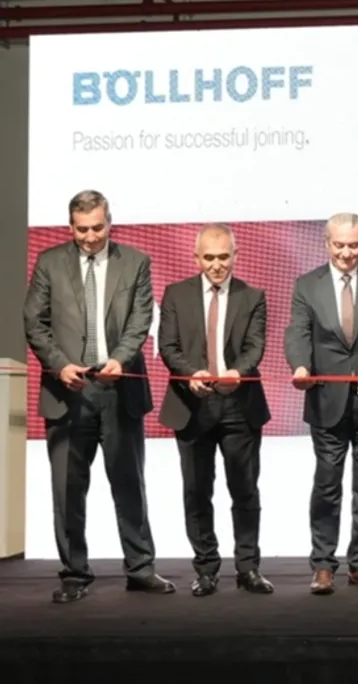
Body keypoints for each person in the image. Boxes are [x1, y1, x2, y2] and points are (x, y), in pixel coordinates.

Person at [23, 189, 175, 604]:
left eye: (97, 228)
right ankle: (74, 573)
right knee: (67, 490)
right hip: (67, 391)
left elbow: (141, 319)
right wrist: (59, 364)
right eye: (81, 230)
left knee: (129, 484)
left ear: (110, 222)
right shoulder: (49, 262)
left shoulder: (136, 262)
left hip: (119, 388)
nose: (90, 237)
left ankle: (140, 568)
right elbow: (34, 322)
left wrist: (120, 358)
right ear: (70, 227)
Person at [285, 212, 358, 595]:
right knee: (327, 483)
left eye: (353, 245)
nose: (346, 253)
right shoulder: (307, 284)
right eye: (339, 245)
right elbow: (298, 332)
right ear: (327, 243)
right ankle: (323, 565)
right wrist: (300, 366)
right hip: (327, 399)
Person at [156, 223, 274, 596]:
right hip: (191, 405)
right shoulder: (175, 294)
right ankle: (205, 569)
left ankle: (248, 569)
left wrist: (239, 371)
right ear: (196, 258)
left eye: (224, 256)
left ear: (236, 255)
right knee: (196, 491)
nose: (217, 264)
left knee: (245, 490)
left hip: (240, 406)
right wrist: (191, 373)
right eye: (209, 257)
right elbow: (168, 346)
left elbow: (255, 346)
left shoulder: (253, 296)